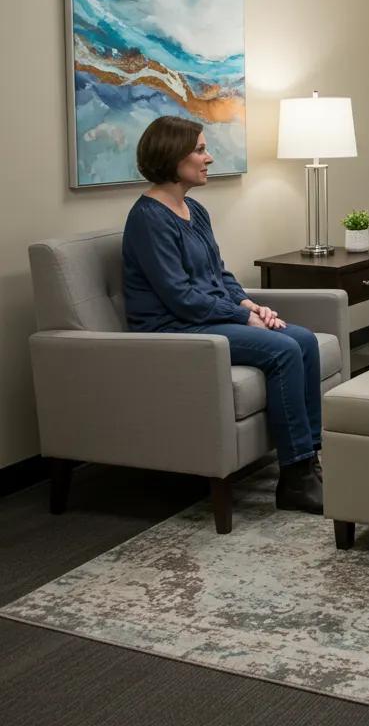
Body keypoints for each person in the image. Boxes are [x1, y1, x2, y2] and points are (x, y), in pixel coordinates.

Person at [122, 115, 324, 514]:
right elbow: (179, 296)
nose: (209, 157)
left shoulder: (194, 210)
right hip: (172, 329)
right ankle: (295, 479)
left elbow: (219, 273)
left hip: (203, 318)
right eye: (200, 149)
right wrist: (238, 316)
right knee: (282, 350)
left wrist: (248, 304)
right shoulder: (147, 219)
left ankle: (310, 461)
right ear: (171, 156)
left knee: (303, 340)